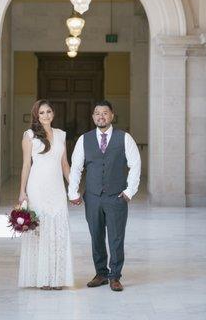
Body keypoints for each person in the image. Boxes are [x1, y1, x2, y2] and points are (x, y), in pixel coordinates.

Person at [68, 100, 141, 292]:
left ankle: (115, 276)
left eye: (105, 113)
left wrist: (129, 191)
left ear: (112, 116)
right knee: (96, 236)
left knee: (116, 238)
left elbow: (135, 164)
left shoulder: (124, 138)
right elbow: (76, 167)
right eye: (97, 113)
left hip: (116, 196)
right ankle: (101, 273)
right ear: (93, 117)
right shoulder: (84, 139)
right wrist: (73, 192)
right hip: (92, 197)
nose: (101, 116)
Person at [18, 99, 73, 290]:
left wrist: (72, 187)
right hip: (37, 187)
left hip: (57, 188)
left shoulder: (60, 135)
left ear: (53, 113)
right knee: (40, 232)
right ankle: (41, 278)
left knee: (58, 232)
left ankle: (57, 278)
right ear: (36, 115)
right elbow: (26, 164)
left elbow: (64, 164)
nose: (46, 115)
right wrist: (22, 192)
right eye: (41, 113)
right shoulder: (29, 135)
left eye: (49, 111)